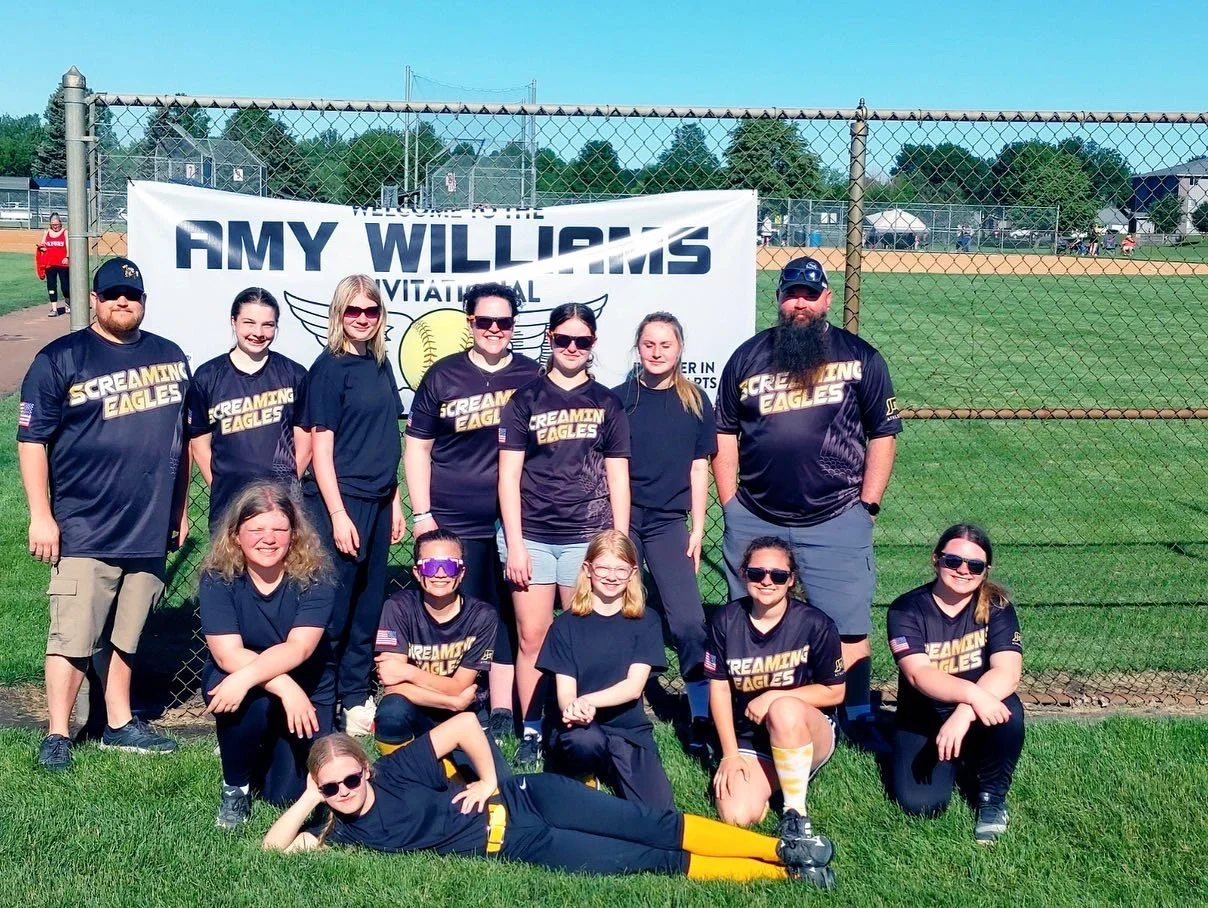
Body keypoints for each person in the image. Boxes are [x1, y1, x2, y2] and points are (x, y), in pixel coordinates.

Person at [262, 714, 836, 888]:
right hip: (519, 845)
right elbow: (273, 848)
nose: (345, 793)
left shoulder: (394, 772)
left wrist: (488, 778)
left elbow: (463, 724)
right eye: (332, 788)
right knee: (643, 861)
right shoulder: (342, 832)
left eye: (349, 779)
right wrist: (308, 798)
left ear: (365, 766)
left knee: (646, 823)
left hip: (525, 796)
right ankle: (789, 875)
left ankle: (778, 846)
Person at [713, 255, 901, 752]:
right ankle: (745, 716)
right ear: (778, 299)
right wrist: (730, 501)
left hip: (835, 516)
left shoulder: (860, 357)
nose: (800, 303)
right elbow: (724, 432)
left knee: (847, 623)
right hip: (756, 514)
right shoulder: (747, 357)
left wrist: (869, 505)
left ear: (827, 299)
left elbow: (883, 434)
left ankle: (856, 714)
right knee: (748, 621)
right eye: (791, 293)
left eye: (809, 294)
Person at [18, 257, 190, 771]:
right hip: (83, 525)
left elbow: (179, 443)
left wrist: (177, 510)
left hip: (147, 522)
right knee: (73, 635)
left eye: (131, 295)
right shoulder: (61, 358)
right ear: (93, 299)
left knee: (127, 634)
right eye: (112, 294)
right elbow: (32, 440)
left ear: (143, 302)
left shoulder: (170, 356)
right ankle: (56, 732)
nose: (122, 302)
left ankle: (117, 722)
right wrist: (40, 515)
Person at [404, 282, 540, 744]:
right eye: (486, 321)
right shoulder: (442, 376)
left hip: (512, 521)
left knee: (505, 611)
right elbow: (417, 446)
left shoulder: (531, 375)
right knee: (462, 609)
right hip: (453, 517)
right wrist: (422, 514)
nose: (495, 329)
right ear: (470, 324)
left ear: (514, 327)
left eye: (504, 322)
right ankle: (457, 695)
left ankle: (501, 706)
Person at [498, 302, 630, 770]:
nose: (572, 348)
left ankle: (583, 719)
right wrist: (514, 541)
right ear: (549, 340)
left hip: (588, 537)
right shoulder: (526, 399)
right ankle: (532, 728)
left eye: (583, 341)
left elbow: (618, 476)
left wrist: (618, 541)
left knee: (583, 634)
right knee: (533, 637)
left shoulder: (607, 402)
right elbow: (508, 477)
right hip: (532, 534)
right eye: (563, 339)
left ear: (593, 346)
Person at [299, 275, 406, 736]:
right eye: (353, 311)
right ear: (339, 315)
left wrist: (396, 500)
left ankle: (355, 696)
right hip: (341, 503)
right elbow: (321, 449)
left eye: (371, 311)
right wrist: (339, 515)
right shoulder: (329, 368)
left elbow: (387, 438)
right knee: (335, 609)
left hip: (379, 502)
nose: (362, 319)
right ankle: (321, 696)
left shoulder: (381, 365)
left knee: (367, 606)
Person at [200, 481, 334, 829]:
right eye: (256, 529)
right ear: (236, 536)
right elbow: (227, 654)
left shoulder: (316, 576)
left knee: (285, 795)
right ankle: (236, 788)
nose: (268, 538)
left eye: (279, 529)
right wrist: (279, 686)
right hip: (240, 675)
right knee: (249, 703)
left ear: (294, 534)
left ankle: (263, 754)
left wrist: (287, 686)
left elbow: (299, 648)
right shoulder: (218, 577)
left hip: (307, 681)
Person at [705, 537, 843, 872]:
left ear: (791, 579)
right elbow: (719, 691)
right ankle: (777, 777)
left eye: (778, 575)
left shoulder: (815, 623)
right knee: (738, 816)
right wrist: (730, 753)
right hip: (752, 739)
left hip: (807, 730)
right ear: (744, 574)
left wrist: (774, 696)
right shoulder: (725, 621)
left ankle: (795, 813)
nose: (767, 581)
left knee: (783, 709)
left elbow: (835, 692)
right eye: (757, 573)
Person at [612, 313, 715, 757]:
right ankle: (621, 706)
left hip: (669, 522)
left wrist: (697, 528)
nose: (656, 352)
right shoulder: (619, 400)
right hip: (624, 518)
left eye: (665, 345)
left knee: (688, 620)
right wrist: (616, 530)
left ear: (680, 349)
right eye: (648, 344)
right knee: (621, 613)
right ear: (638, 348)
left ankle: (701, 713)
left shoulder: (695, 402)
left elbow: (698, 468)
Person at [886, 524, 1025, 845]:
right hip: (924, 719)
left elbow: (1008, 672)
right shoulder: (906, 608)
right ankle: (956, 757)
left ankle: (991, 798)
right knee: (921, 806)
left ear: (985, 571)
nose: (963, 570)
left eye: (975, 566)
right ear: (936, 560)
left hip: (975, 713)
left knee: (1008, 712)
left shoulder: (997, 606)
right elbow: (918, 674)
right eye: (953, 561)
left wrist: (964, 711)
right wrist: (973, 694)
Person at [537, 530, 672, 808]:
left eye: (621, 569)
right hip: (581, 726)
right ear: (588, 570)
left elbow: (633, 688)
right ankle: (582, 770)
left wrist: (588, 700)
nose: (612, 577)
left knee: (658, 811)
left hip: (628, 728)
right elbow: (565, 693)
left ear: (633, 572)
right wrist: (575, 708)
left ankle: (614, 766)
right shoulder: (566, 625)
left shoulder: (646, 621)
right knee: (582, 743)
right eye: (603, 568)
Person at [187, 287, 311, 537]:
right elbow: (199, 444)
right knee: (228, 573)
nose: (258, 333)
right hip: (229, 504)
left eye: (268, 325)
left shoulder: (294, 374)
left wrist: (282, 491)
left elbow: (305, 440)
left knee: (285, 573)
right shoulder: (208, 376)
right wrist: (222, 485)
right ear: (233, 322)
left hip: (281, 505)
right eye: (249, 323)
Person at [373, 529, 498, 755]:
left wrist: (409, 673)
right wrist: (451, 701)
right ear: (417, 572)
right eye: (430, 566)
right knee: (391, 713)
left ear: (461, 573)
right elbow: (392, 686)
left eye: (449, 566)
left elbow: (461, 686)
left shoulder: (482, 616)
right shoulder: (398, 608)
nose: (440, 574)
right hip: (417, 709)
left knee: (499, 785)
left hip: (464, 713)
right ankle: (403, 771)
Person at [36, 213, 70, 317]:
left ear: (60, 223)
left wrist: (67, 257)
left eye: (57, 224)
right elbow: (43, 245)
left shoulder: (65, 232)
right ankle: (54, 309)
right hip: (50, 264)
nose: (55, 226)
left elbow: (68, 246)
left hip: (62, 264)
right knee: (51, 285)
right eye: (53, 225)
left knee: (65, 286)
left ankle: (67, 303)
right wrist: (42, 248)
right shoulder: (46, 232)